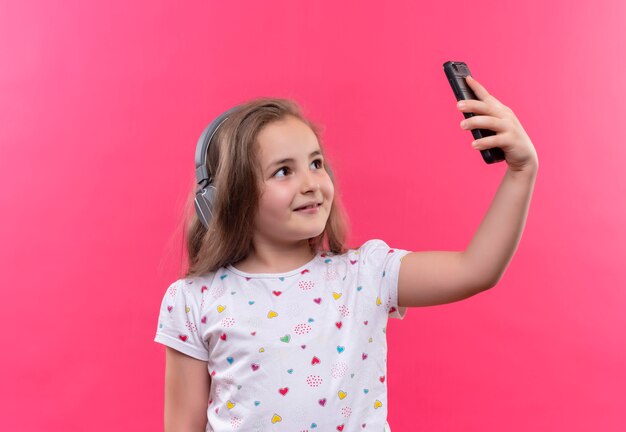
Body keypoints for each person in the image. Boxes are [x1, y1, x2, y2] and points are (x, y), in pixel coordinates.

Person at [154, 76, 539, 431]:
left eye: (316, 163)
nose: (311, 183)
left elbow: (476, 268)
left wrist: (521, 172)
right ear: (227, 197)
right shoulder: (193, 301)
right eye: (283, 171)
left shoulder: (366, 275)